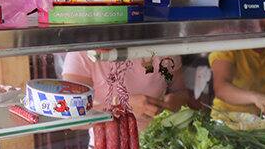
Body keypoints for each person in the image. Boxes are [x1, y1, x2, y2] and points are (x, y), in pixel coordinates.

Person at [62, 53, 190, 129]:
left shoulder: (164, 50)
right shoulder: (83, 53)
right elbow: (72, 119)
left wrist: (174, 102)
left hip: (156, 146)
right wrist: (120, 108)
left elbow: (182, 93)